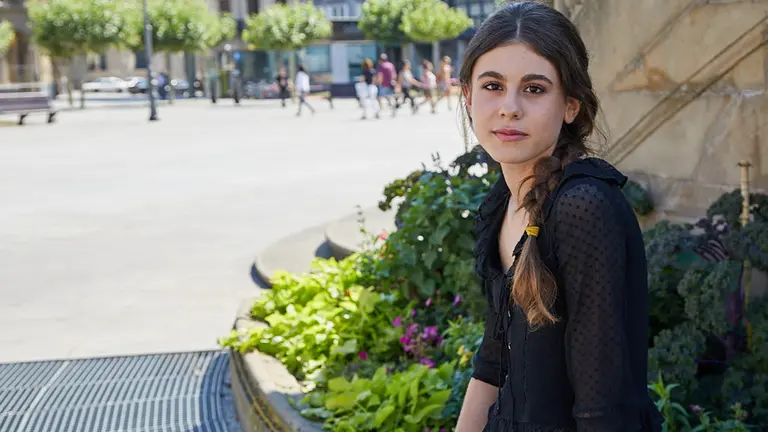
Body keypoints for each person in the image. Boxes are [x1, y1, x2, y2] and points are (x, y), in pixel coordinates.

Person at [455, 2, 663, 431]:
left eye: (534, 89)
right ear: (468, 96)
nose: (509, 107)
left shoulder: (583, 207)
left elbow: (601, 408)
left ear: (570, 106)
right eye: (493, 85)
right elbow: (492, 362)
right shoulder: (504, 202)